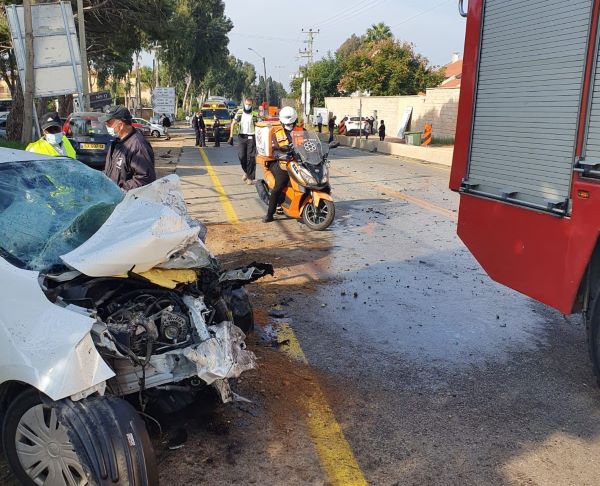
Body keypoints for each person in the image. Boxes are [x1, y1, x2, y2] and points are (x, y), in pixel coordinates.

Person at [101, 105, 156, 191]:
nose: (106, 125)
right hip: (115, 199)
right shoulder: (117, 143)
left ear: (121, 125)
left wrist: (120, 189)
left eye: (109, 122)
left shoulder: (138, 146)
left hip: (129, 200)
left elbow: (145, 178)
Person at [263, 106, 304, 223]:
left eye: (291, 123)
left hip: (299, 163)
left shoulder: (301, 131)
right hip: (282, 163)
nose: (289, 125)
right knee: (279, 186)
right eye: (287, 123)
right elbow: (274, 151)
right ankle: (270, 214)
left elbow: (310, 144)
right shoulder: (277, 133)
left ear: (295, 120)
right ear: (281, 121)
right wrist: (282, 153)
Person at [229, 96, 258, 185]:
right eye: (246, 104)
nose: (247, 106)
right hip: (242, 137)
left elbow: (258, 125)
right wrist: (231, 136)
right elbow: (233, 123)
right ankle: (246, 172)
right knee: (242, 156)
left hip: (252, 137)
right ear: (244, 103)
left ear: (252, 104)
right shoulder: (240, 112)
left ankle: (250, 178)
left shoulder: (254, 114)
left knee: (251, 158)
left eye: (249, 104)